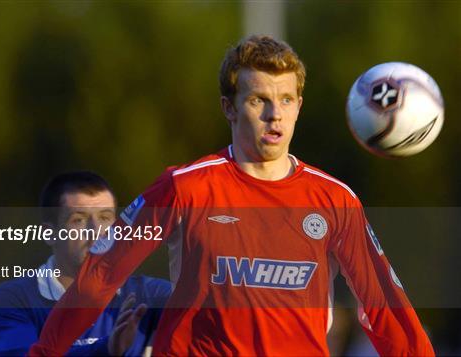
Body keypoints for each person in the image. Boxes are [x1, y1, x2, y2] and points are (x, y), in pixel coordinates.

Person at [29, 36, 434, 356]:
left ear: (299, 107)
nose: (275, 114)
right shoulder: (184, 187)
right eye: (260, 100)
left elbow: (384, 307)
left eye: (286, 100)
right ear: (229, 107)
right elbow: (101, 274)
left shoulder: (334, 200)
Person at [0, 171, 171, 356]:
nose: (96, 231)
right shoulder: (14, 299)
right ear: (49, 234)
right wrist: (108, 349)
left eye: (105, 218)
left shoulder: (149, 294)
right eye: (79, 220)